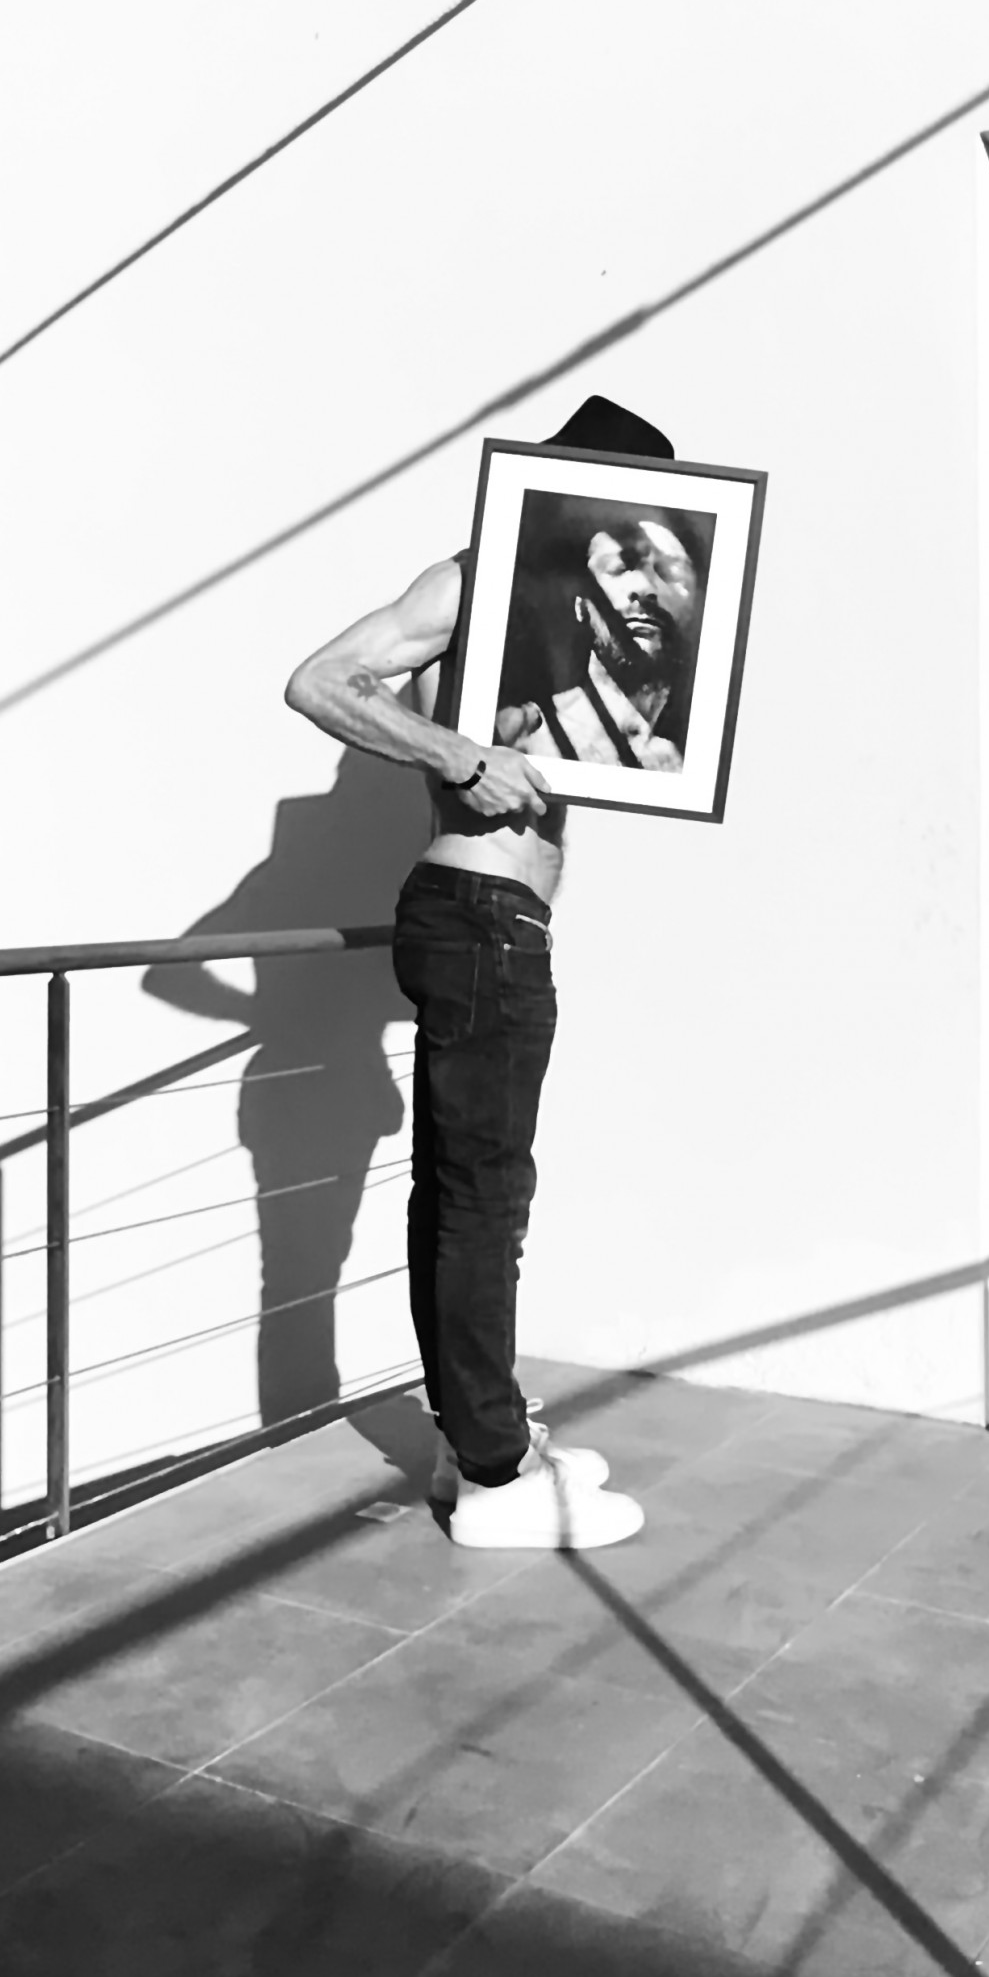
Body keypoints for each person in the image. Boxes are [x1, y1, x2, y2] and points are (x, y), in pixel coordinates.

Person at [282, 393, 668, 1550]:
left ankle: (473, 1433)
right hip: (480, 919)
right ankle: (499, 1476)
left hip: (489, 921)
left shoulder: (564, 615)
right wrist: (457, 754)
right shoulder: (471, 583)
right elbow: (319, 679)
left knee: (461, 1196)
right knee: (485, 1201)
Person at [501, 512, 704, 773]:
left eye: (667, 572)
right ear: (581, 606)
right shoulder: (530, 745)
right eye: (618, 569)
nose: (646, 587)